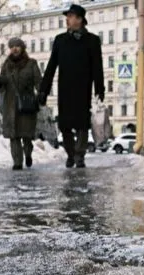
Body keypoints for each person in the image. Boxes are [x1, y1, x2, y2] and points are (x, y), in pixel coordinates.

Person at [38, 4, 105, 168]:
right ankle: (70, 153)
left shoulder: (92, 41)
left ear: (80, 19)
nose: (67, 19)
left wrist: (100, 89)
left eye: (70, 16)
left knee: (82, 124)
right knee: (65, 125)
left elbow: (98, 67)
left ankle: (80, 155)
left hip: (83, 89)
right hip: (65, 89)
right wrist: (44, 90)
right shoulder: (60, 40)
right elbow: (51, 66)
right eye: (67, 16)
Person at [0, 38, 42, 170]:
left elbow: (38, 81)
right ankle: (17, 162)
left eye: (17, 46)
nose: (14, 49)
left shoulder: (31, 63)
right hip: (10, 105)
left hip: (26, 105)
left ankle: (28, 153)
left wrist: (41, 95)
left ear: (22, 48)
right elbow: (1, 87)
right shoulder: (6, 65)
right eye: (12, 46)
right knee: (14, 136)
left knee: (26, 136)